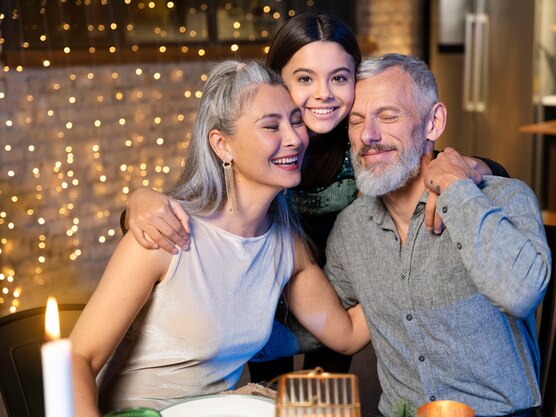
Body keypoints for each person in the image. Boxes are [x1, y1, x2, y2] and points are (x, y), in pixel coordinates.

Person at [120, 14, 510, 382]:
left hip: (336, 296)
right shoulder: (262, 145)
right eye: (304, 78)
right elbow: (201, 198)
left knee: (327, 394)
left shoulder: (363, 139)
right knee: (271, 392)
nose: (323, 94)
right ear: (277, 81)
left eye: (339, 78)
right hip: (266, 297)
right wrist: (137, 201)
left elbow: (440, 166)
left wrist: (470, 166)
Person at [69, 60, 370, 417]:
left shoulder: (285, 247)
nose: (294, 138)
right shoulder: (164, 235)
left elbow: (348, 333)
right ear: (222, 145)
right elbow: (77, 358)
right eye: (271, 126)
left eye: (295, 121)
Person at [325, 53, 551, 417]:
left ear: (434, 122)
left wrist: (457, 188)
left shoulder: (505, 197)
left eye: (388, 115)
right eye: (356, 121)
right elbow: (328, 317)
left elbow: (522, 293)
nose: (368, 135)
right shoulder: (351, 228)